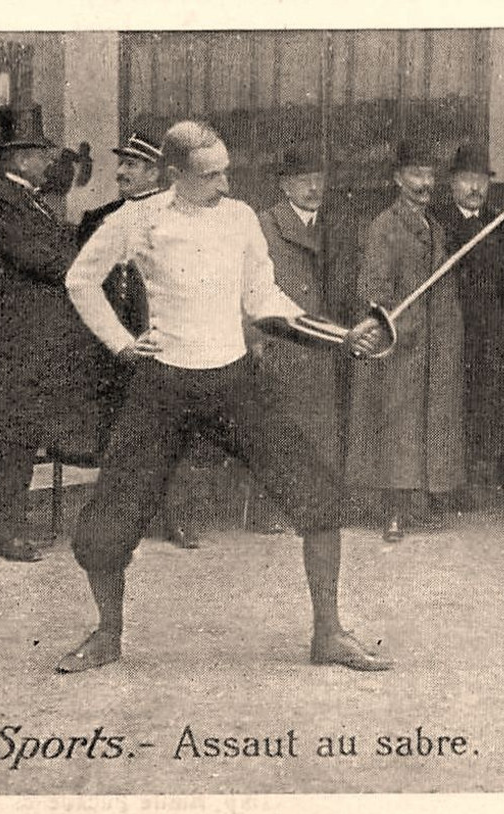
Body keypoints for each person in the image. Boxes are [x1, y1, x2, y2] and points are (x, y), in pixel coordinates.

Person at [60, 120, 391, 673]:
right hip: (162, 384)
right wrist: (120, 344)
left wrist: (343, 338)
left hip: (233, 380)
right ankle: (107, 634)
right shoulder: (139, 218)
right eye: (211, 176)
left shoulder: (239, 220)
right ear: (175, 176)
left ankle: (329, 635)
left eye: (226, 172)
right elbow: (80, 279)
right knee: (110, 518)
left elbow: (264, 300)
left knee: (316, 494)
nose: (225, 185)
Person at [0, 104, 108, 563]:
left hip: (24, 342)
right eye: (38, 153)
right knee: (12, 434)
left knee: (20, 431)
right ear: (16, 157)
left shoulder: (26, 197)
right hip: (6, 342)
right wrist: (90, 266)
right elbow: (37, 257)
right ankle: (1, 532)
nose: (47, 161)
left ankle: (5, 524)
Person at [77, 130, 218, 550]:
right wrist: (116, 341)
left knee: (178, 432)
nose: (121, 172)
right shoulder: (99, 220)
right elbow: (84, 287)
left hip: (169, 343)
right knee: (123, 437)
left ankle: (178, 517)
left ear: (159, 173)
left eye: (132, 165)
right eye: (121, 163)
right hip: (115, 349)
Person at [347, 140, 465, 543]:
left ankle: (416, 504)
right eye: (415, 174)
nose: (424, 183)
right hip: (403, 342)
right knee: (397, 426)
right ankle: (392, 512)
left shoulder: (436, 227)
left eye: (430, 175)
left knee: (426, 424)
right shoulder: (384, 226)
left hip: (435, 343)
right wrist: (394, 324)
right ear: (398, 179)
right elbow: (373, 290)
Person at [250, 146, 339, 533]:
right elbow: (249, 286)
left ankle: (316, 506)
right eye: (304, 181)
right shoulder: (264, 224)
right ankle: (270, 510)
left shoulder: (331, 227)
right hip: (281, 341)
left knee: (320, 428)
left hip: (319, 341)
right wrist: (254, 337)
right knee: (278, 428)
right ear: (285, 185)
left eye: (318, 180)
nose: (312, 188)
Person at [440, 144, 504, 502]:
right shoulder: (437, 224)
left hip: (492, 332)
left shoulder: (500, 223)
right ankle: (453, 483)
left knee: (490, 401)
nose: (475, 189)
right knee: (452, 404)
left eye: (481, 181)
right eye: (468, 180)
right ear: (453, 184)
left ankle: (489, 476)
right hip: (452, 330)